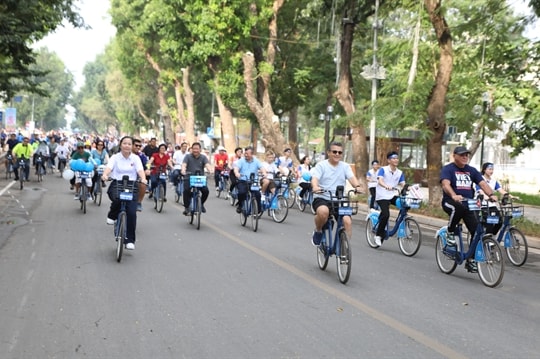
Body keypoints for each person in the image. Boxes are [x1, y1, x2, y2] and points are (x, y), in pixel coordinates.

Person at [440, 146, 497, 272]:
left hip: (469, 204)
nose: (465, 157)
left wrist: (491, 195)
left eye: (467, 155)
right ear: (454, 155)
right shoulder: (448, 169)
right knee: (458, 209)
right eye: (462, 155)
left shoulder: (471, 170)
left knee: (477, 231)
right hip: (450, 202)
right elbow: (445, 184)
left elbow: (482, 184)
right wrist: (453, 195)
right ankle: (450, 232)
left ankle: (471, 260)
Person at [310, 142, 364, 246]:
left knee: (347, 221)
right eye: (334, 151)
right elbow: (315, 178)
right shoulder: (321, 165)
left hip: (340, 199)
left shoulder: (345, 166)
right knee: (323, 212)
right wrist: (315, 187)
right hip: (322, 198)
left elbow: (352, 179)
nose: (337, 154)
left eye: (340, 152)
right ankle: (318, 230)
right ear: (328, 153)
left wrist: (357, 186)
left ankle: (345, 247)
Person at [101, 136, 147, 250]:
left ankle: (130, 240)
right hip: (117, 184)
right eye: (125, 143)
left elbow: (140, 170)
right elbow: (109, 168)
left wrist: (143, 178)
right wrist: (105, 175)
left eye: (129, 144)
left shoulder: (135, 158)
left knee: (131, 212)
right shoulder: (115, 157)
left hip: (131, 185)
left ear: (132, 146)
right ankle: (112, 214)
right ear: (120, 145)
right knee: (117, 198)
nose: (127, 146)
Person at [374, 152, 406, 247]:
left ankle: (400, 222)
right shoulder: (383, 169)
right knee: (386, 214)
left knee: (404, 204)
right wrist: (385, 186)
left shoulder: (399, 172)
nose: (396, 160)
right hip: (382, 195)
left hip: (392, 195)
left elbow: (403, 184)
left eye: (397, 158)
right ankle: (378, 235)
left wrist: (410, 188)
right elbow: (380, 180)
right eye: (393, 158)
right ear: (389, 160)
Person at [476, 162, 513, 235]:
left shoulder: (493, 181)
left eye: (492, 169)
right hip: (482, 205)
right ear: (484, 170)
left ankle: (490, 238)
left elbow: (500, 189)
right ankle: (487, 240)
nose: (491, 171)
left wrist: (510, 196)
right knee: (489, 223)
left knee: (499, 222)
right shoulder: (479, 179)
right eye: (489, 169)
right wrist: (486, 196)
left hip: (491, 205)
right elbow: (480, 190)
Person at [181, 142, 213, 215]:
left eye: (197, 149)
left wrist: (210, 170)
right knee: (186, 191)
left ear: (200, 150)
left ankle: (201, 204)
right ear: (192, 149)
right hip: (189, 177)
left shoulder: (203, 157)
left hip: (200, 179)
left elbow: (207, 165)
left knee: (206, 191)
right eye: (194, 149)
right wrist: (183, 170)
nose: (195, 150)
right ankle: (186, 207)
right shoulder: (187, 157)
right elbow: (184, 164)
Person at [233, 146, 266, 214]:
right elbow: (236, 168)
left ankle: (258, 209)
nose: (246, 155)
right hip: (243, 180)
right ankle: (240, 205)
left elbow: (262, 167)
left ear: (252, 154)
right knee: (242, 192)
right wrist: (237, 173)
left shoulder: (256, 161)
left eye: (247, 153)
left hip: (253, 181)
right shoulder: (241, 161)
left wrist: (264, 173)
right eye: (245, 153)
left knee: (258, 195)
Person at [132, 138, 148, 211]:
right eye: (136, 145)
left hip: (137, 176)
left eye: (139, 146)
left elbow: (147, 164)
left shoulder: (142, 156)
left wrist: (147, 169)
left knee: (143, 184)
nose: (138, 147)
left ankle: (139, 202)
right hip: (124, 177)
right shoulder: (125, 154)